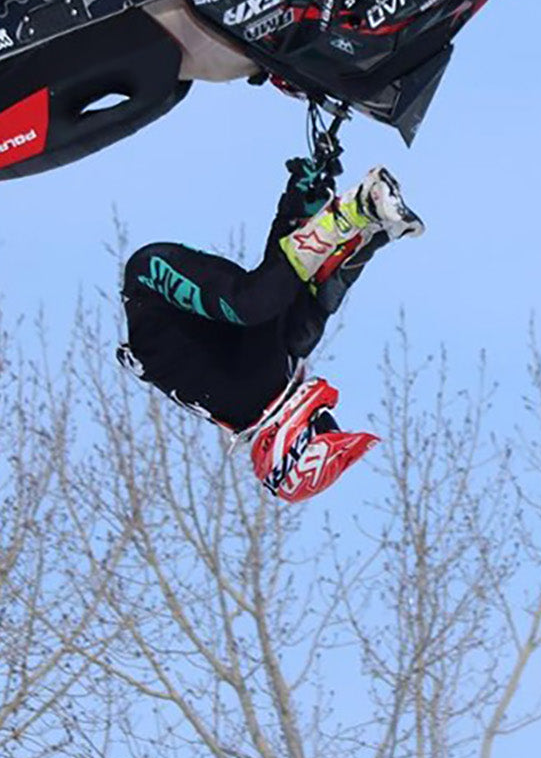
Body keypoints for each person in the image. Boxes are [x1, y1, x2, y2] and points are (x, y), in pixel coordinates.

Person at [118, 149, 424, 502]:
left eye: (323, 424)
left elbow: (262, 300)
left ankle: (358, 208)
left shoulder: (249, 392)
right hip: (205, 306)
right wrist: (298, 205)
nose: (324, 412)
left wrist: (300, 215)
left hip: (151, 282)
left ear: (292, 445)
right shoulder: (264, 392)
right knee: (300, 328)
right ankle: (373, 230)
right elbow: (286, 293)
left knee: (270, 312)